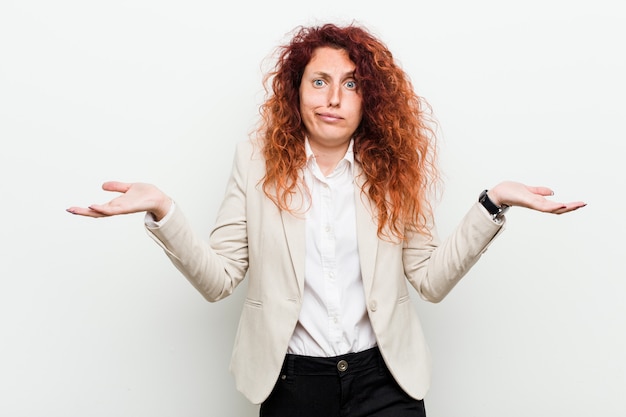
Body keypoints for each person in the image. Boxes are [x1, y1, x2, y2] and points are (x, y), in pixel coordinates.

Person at [67, 23, 586, 417]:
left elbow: (429, 280)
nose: (333, 98)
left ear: (370, 100)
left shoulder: (393, 169)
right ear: (297, 92)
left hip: (386, 381)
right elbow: (220, 278)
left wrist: (492, 202)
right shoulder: (255, 162)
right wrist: (164, 208)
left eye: (352, 84)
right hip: (292, 385)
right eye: (319, 82)